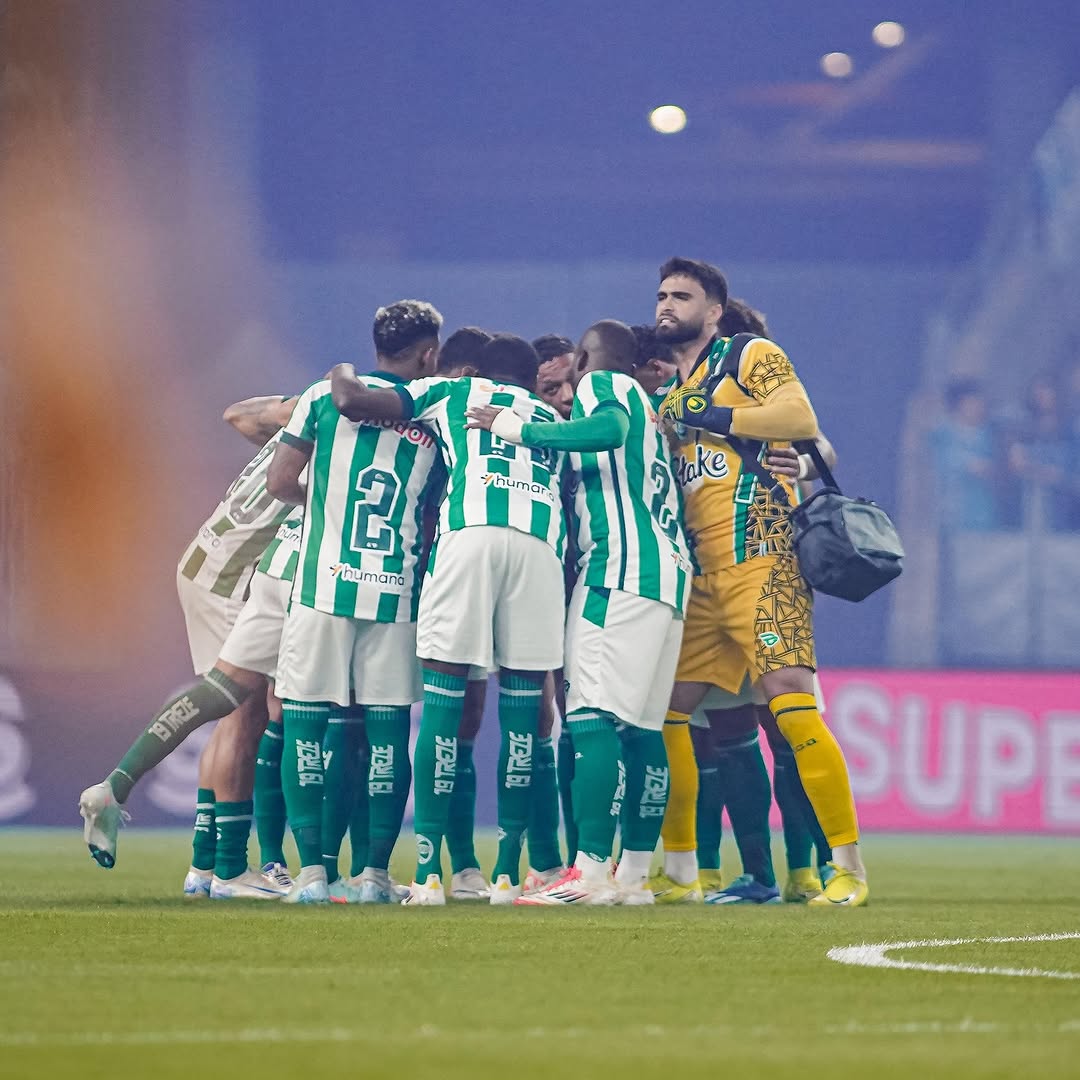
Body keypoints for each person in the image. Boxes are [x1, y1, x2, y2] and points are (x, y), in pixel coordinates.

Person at [654, 256, 868, 907]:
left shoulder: (747, 354)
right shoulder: (670, 396)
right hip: (700, 577)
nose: (666, 304)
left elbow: (800, 418)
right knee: (667, 714)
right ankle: (684, 872)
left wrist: (724, 422)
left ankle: (848, 871)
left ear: (713, 310)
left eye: (681, 295)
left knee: (791, 707)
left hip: (764, 560)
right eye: (661, 294)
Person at [330, 332, 566, 905]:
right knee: (523, 716)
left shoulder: (452, 392)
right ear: (533, 379)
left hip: (469, 537)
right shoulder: (549, 417)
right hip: (539, 548)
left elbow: (356, 401)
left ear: (474, 372)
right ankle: (508, 876)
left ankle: (430, 875)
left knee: (443, 699)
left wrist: (339, 369)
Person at [468, 320, 692, 905]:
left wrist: (518, 430)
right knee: (642, 731)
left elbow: (607, 429)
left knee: (590, 717)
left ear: (587, 357)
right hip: (668, 575)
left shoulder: (605, 388)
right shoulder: (648, 407)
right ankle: (633, 878)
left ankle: (590, 875)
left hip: (619, 571)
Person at [78, 395, 297, 893]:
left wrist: (288, 418)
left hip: (207, 559)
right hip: (230, 576)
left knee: (234, 713)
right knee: (241, 712)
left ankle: (204, 865)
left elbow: (236, 414)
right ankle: (228, 868)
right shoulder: (347, 428)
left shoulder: (306, 412)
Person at [267, 300, 445, 904]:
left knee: (306, 725)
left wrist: (324, 511)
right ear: (428, 354)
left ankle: (313, 875)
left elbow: (278, 482)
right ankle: (373, 877)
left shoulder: (322, 396)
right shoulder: (435, 406)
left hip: (322, 582)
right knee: (388, 732)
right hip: (394, 588)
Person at [929, 378, 1000, 532]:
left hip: (985, 515)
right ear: (958, 404)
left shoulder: (989, 435)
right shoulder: (942, 434)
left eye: (980, 402)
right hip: (953, 514)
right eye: (972, 402)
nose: (978, 407)